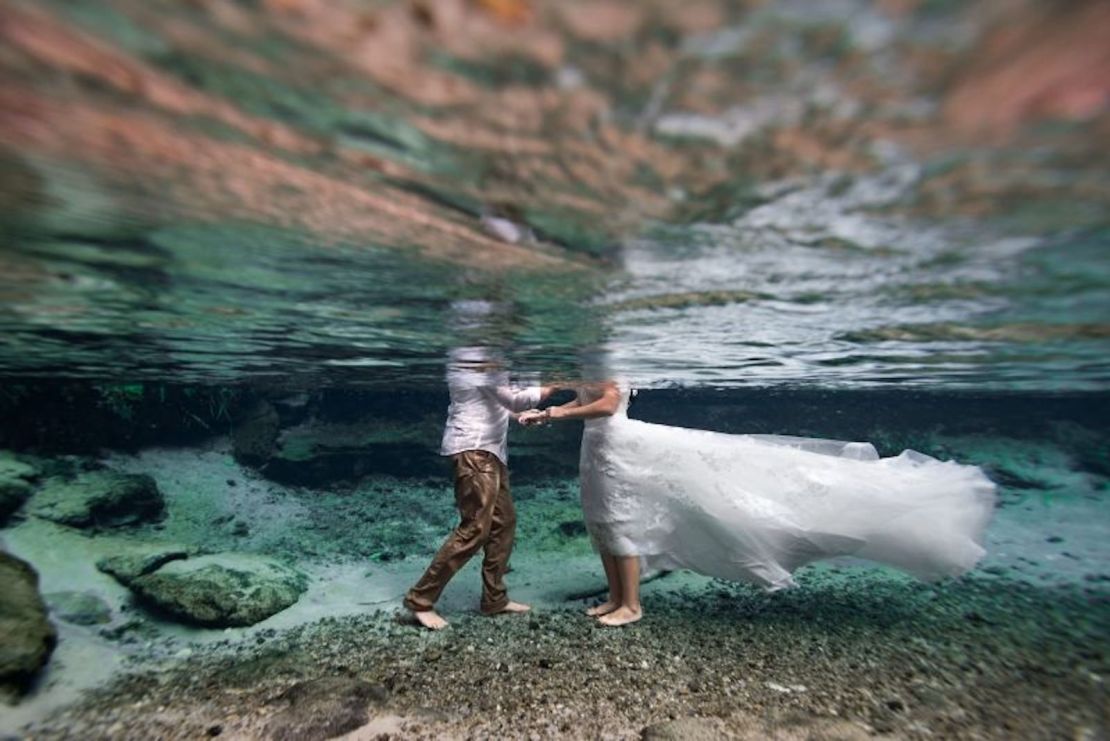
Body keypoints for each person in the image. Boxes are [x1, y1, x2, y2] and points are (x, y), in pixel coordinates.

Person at [520, 381, 996, 627]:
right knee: (601, 520)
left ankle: (632, 604)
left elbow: (607, 400)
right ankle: (614, 598)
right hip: (599, 447)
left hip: (620, 443)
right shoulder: (585, 349)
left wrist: (554, 412)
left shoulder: (607, 350)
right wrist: (538, 392)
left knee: (619, 520)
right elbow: (568, 382)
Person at [403, 347, 554, 630]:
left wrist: (516, 415)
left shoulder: (487, 355)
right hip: (474, 450)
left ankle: (494, 599)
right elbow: (514, 398)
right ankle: (420, 600)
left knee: (503, 522)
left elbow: (490, 401)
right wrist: (556, 384)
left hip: (488, 451)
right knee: (474, 528)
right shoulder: (477, 355)